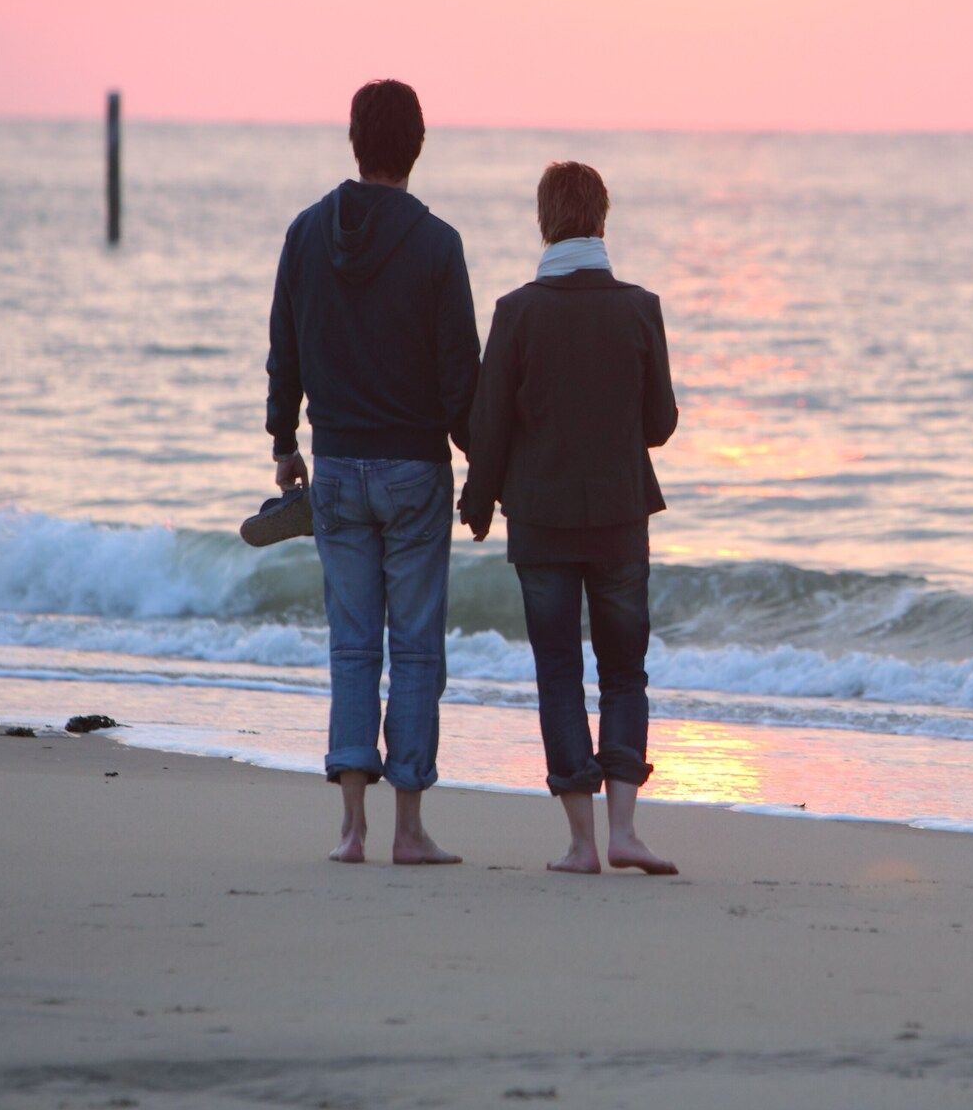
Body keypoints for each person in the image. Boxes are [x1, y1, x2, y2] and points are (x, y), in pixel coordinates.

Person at [266, 79, 479, 865]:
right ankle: (410, 828)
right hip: (415, 469)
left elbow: (284, 347)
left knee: (353, 645)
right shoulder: (436, 244)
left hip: (337, 466)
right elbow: (462, 376)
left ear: (355, 140)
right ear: (417, 145)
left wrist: (284, 441)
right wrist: (485, 466)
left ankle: (351, 827)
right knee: (416, 649)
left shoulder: (304, 233)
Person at [462, 161, 679, 875]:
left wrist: (478, 501)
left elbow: (487, 427)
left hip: (543, 524)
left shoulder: (517, 312)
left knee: (558, 673)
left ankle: (582, 844)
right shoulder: (639, 308)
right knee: (624, 672)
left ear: (544, 221)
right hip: (620, 520)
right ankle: (625, 830)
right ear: (602, 219)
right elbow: (660, 425)